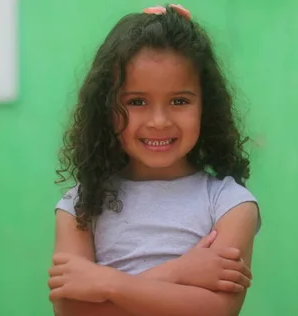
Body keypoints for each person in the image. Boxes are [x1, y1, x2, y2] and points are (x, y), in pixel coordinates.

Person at [48, 4, 261, 316]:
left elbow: (216, 310)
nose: (159, 121)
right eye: (137, 101)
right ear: (106, 108)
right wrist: (178, 273)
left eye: (179, 101)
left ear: (206, 106)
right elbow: (70, 309)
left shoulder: (231, 205)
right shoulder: (80, 205)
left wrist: (103, 284)